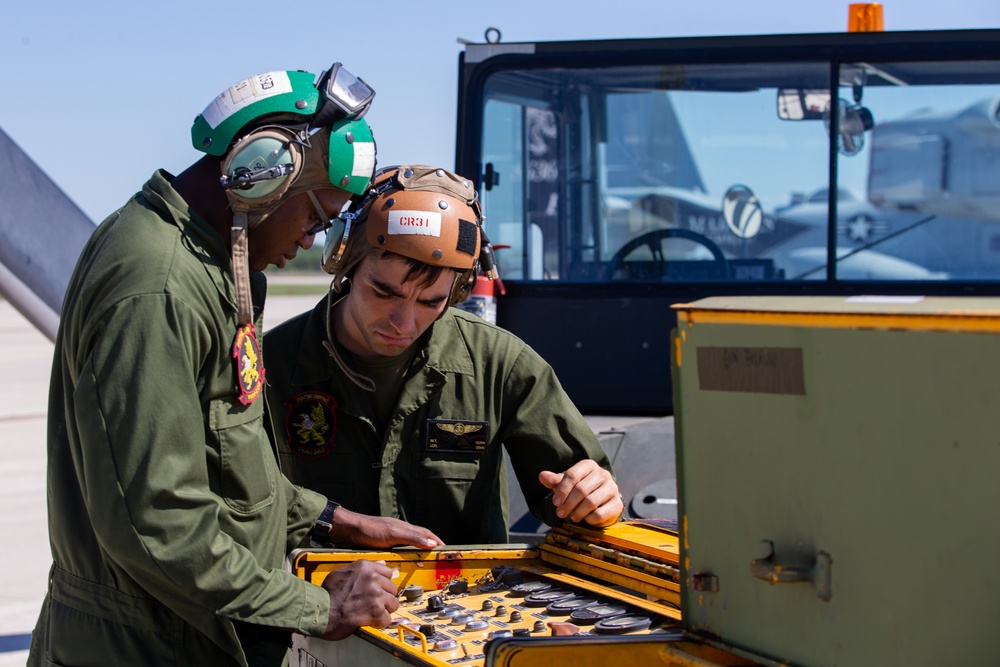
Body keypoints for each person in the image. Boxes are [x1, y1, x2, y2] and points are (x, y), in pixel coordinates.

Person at [28, 65, 444, 667]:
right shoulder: (160, 286)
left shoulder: (207, 266)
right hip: (144, 645)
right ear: (261, 177)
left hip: (185, 633)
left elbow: (225, 464)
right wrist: (316, 609)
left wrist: (334, 520)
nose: (311, 241)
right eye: (315, 216)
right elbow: (156, 523)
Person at [262, 165, 624, 545]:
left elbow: (578, 494)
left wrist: (590, 499)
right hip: (321, 599)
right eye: (384, 293)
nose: (403, 323)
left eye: (431, 301)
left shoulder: (500, 365)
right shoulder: (269, 368)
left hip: (464, 599)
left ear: (458, 291)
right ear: (344, 262)